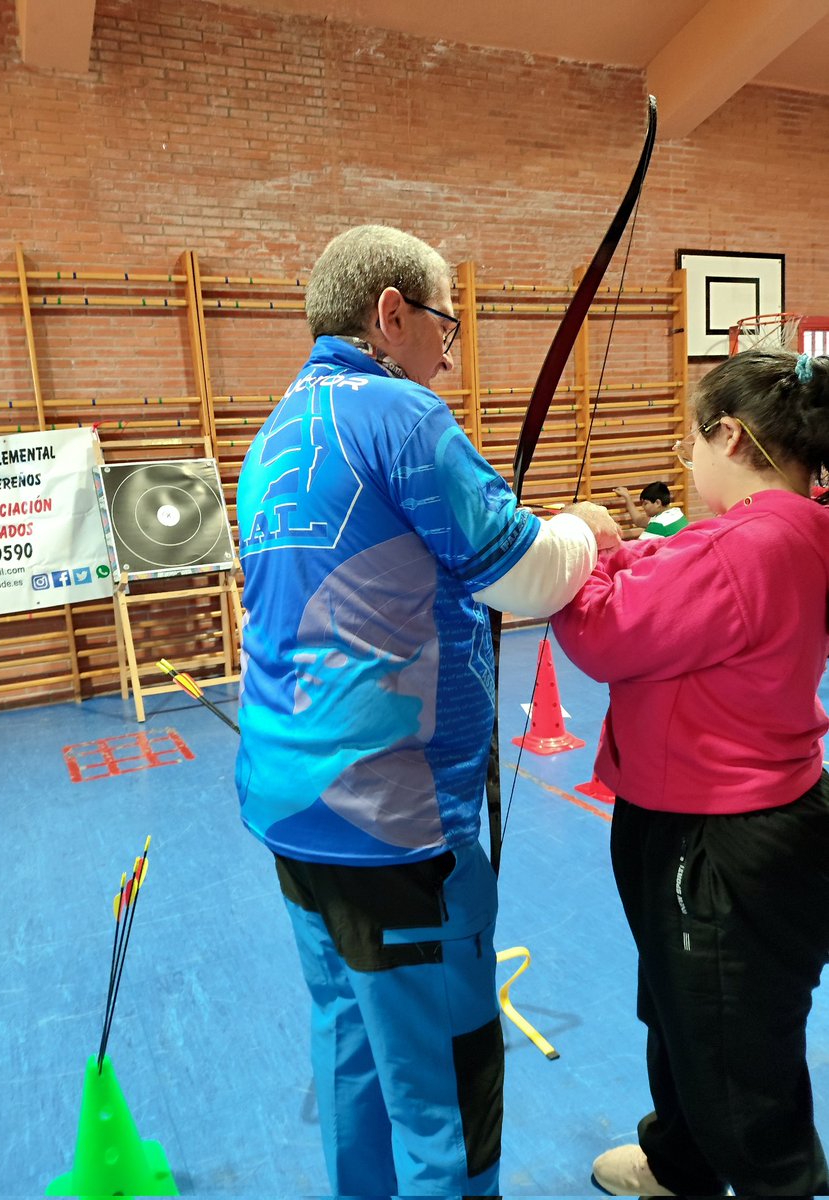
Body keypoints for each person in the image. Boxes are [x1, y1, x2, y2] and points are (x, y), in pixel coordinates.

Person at [234, 224, 620, 1196]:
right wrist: (588, 527)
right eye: (444, 322)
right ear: (390, 314)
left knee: (355, 1047)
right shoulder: (399, 415)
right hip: (393, 830)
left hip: (290, 807)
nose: (451, 347)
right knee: (444, 1090)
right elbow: (527, 576)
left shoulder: (278, 425)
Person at [551, 348, 829, 1197]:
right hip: (711, 815)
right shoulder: (790, 525)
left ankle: (775, 1179)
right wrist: (624, 550)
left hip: (719, 831)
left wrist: (590, 554)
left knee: (727, 1037)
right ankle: (681, 1160)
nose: (690, 464)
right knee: (683, 1008)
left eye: (691, 447)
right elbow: (682, 563)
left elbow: (603, 636)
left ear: (729, 437)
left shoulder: (748, 546)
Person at [614, 480, 688, 539]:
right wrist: (627, 497)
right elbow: (639, 520)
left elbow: (636, 550)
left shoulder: (659, 524)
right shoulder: (677, 513)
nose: (643, 507)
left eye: (645, 503)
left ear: (657, 503)